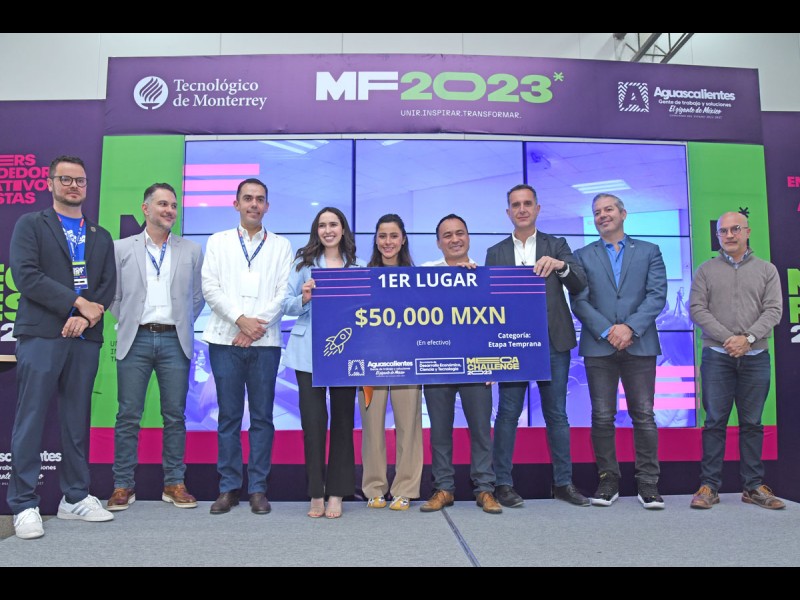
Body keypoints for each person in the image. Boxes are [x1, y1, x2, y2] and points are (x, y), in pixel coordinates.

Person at [8, 156, 116, 539]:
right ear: (50, 183)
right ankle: (23, 503)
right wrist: (76, 303)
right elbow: (27, 276)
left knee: (76, 421)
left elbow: (106, 286)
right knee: (31, 419)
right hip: (41, 335)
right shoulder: (31, 225)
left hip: (84, 338)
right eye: (66, 180)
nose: (73, 186)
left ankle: (75, 497)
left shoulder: (100, 235)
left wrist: (85, 317)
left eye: (80, 181)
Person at [485, 184, 589, 508]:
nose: (522, 209)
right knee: (507, 414)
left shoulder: (556, 245)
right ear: (508, 212)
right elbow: (488, 302)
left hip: (552, 342)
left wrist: (560, 266)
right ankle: (502, 484)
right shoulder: (495, 252)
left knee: (557, 414)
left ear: (537, 209)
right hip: (511, 344)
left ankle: (563, 483)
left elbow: (579, 282)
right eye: (516, 204)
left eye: (527, 203)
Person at [106, 183, 205, 512]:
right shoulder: (121, 248)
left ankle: (174, 483)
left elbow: (197, 298)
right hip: (135, 338)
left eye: (173, 205)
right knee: (128, 415)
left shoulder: (191, 250)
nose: (169, 210)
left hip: (175, 340)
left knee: (175, 416)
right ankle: (122, 485)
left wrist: (179, 322)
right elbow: (113, 296)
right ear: (145, 208)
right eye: (163, 204)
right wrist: (131, 320)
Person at [201, 178, 293, 516]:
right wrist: (240, 320)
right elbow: (210, 287)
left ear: (267, 206)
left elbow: (284, 293)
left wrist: (254, 327)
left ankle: (257, 489)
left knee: (262, 417)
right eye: (248, 198)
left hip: (265, 343)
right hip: (225, 340)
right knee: (228, 416)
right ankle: (228, 488)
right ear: (236, 203)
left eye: (260, 199)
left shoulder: (281, 246)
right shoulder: (218, 241)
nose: (254, 204)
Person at [571, 194, 667, 510]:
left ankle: (648, 483)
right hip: (599, 347)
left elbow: (657, 295)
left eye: (608, 209)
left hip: (640, 344)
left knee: (644, 415)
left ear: (623, 214)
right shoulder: (582, 255)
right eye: (597, 212)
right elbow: (579, 301)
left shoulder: (650, 251)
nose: (603, 215)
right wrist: (607, 330)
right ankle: (608, 480)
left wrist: (629, 328)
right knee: (601, 416)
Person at [688, 212, 785, 510]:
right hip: (717, 357)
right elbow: (697, 309)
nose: (729, 235)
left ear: (747, 232)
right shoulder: (705, 270)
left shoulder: (767, 270)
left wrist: (749, 339)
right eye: (723, 231)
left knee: (752, 423)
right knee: (714, 422)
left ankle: (753, 486)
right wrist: (730, 339)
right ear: (718, 235)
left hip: (756, 357)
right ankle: (709, 486)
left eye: (735, 229)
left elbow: (774, 310)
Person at [283, 207, 365, 519]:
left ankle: (337, 493)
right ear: (316, 230)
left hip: (345, 353)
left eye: (333, 224)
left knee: (343, 423)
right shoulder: (303, 265)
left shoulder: (358, 267)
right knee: (313, 423)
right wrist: (304, 298)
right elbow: (285, 304)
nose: (328, 230)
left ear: (343, 229)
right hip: (308, 354)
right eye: (322, 225)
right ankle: (316, 492)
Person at [419, 214, 502, 515]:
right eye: (447, 235)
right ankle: (444, 488)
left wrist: (494, 363)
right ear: (438, 243)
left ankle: (485, 489)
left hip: (477, 364)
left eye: (460, 233)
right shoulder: (426, 274)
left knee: (481, 430)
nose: (455, 239)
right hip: (437, 364)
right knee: (440, 431)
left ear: (468, 237)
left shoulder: (484, 275)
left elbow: (497, 320)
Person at [359, 214, 423, 511]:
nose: (388, 242)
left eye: (393, 236)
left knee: (409, 425)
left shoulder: (417, 278)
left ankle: (405, 488)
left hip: (407, 362)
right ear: (376, 240)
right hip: (371, 363)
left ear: (403, 239)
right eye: (382, 236)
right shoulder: (363, 277)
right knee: (372, 426)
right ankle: (374, 487)